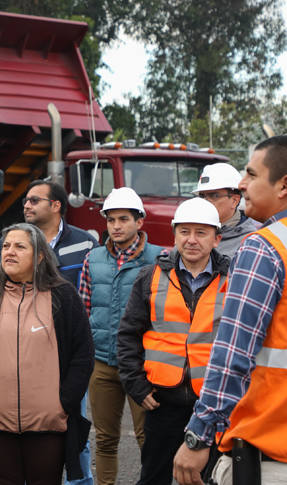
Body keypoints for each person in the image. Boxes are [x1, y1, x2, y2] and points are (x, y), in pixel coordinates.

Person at [173, 136, 287, 485]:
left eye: (251, 174)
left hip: (266, 451)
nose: (242, 184)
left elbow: (233, 353)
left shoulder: (264, 248)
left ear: (283, 185)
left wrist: (198, 435)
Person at [0, 223, 94, 485]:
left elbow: (82, 353)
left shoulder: (63, 296)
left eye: (19, 246)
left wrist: (65, 401)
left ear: (39, 256)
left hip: (48, 422)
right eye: (5, 246)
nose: (9, 252)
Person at [0, 179, 98, 483]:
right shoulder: (8, 242)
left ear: (55, 205)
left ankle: (78, 480)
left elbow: (97, 293)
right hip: (20, 349)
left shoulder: (86, 243)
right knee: (24, 425)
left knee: (74, 425)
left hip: (67, 350)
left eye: (34, 200)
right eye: (25, 200)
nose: (26, 205)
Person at [117, 198, 229, 485]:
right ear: (174, 234)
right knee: (154, 478)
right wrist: (137, 386)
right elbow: (129, 335)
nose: (191, 240)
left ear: (217, 239)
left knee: (210, 479)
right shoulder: (149, 277)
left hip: (213, 407)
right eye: (184, 231)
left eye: (201, 233)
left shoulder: (233, 280)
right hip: (162, 403)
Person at [77, 188, 164, 485]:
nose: (116, 226)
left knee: (147, 437)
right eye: (111, 219)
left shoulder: (160, 259)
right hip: (101, 362)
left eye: (124, 219)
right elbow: (84, 309)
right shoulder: (93, 258)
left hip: (143, 364)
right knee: (105, 438)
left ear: (139, 221)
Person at [191, 163, 257, 257]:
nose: (205, 201)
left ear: (235, 201)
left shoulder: (250, 243)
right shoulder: (189, 232)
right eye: (202, 196)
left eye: (213, 195)